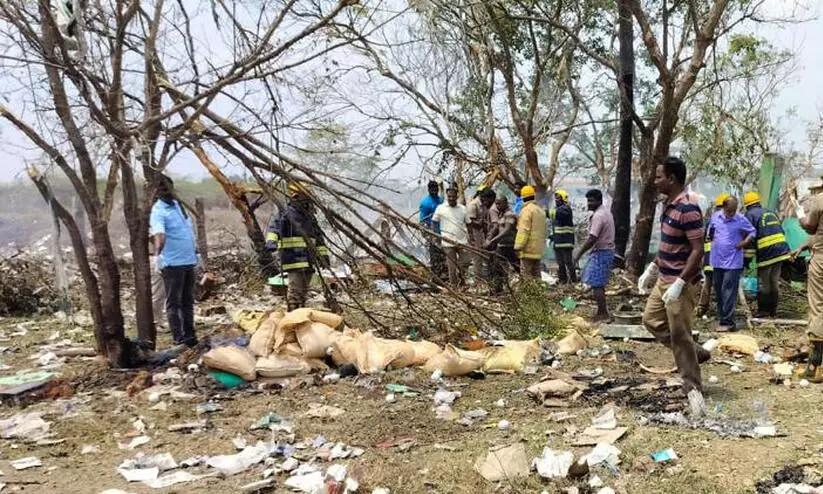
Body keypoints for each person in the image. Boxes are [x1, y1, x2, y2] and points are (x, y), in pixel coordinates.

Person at [637, 157, 711, 403]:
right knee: (651, 320)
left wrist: (681, 282)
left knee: (680, 335)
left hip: (681, 281)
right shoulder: (667, 206)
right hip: (664, 278)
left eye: (659, 176)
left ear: (672, 179)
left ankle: (692, 387)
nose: (655, 180)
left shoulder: (688, 208)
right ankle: (695, 351)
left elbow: (697, 250)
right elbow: (669, 244)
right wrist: (652, 267)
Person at [150, 175, 198, 347]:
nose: (167, 192)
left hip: (188, 260)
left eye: (168, 188)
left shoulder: (178, 206)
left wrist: (196, 252)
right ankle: (179, 338)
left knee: (187, 301)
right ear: (156, 192)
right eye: (162, 189)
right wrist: (157, 255)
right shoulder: (158, 211)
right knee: (174, 303)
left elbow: (188, 231)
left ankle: (190, 336)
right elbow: (159, 234)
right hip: (172, 263)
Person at [265, 182, 330, 311]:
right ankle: (292, 318)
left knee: (303, 292)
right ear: (296, 196)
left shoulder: (309, 216)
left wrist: (324, 255)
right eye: (304, 196)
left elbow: (318, 237)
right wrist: (271, 242)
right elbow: (274, 228)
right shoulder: (286, 213)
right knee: (295, 291)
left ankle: (300, 317)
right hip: (293, 258)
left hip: (308, 260)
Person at [708, 195, 756, 332]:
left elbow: (752, 231)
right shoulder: (715, 217)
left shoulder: (740, 219)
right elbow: (711, 231)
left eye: (733, 210)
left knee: (728, 291)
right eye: (729, 211)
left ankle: (727, 322)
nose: (731, 213)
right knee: (718, 290)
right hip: (717, 259)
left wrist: (744, 242)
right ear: (723, 208)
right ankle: (722, 318)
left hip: (733, 261)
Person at [743, 191, 792, 317]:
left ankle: (763, 311)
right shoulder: (770, 212)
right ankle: (772, 311)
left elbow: (750, 239)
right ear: (758, 202)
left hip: (767, 252)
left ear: (747, 205)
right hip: (781, 250)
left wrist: (746, 261)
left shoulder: (749, 215)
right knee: (774, 281)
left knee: (764, 283)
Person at [573, 189, 615, 321]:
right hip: (605, 251)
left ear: (599, 201)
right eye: (588, 200)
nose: (589, 204)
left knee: (597, 283)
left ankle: (603, 313)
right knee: (596, 282)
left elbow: (592, 238)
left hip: (602, 252)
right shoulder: (605, 213)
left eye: (591, 201)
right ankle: (601, 311)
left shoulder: (599, 216)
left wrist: (578, 254)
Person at [800, 192, 823, 381]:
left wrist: (800, 216)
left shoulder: (820, 199)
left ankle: (815, 367)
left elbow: (810, 227)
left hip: (822, 261)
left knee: (818, 308)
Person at [697, 193, 729, 316]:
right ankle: (722, 312)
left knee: (707, 283)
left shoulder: (711, 220)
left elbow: (704, 238)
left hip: (709, 258)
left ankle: (701, 308)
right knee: (720, 287)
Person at [432, 187, 470, 286]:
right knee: (451, 266)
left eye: (453, 196)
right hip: (447, 241)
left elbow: (468, 223)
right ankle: (454, 288)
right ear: (447, 197)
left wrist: (471, 238)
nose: (451, 198)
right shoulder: (441, 208)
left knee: (466, 261)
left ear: (457, 196)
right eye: (449, 196)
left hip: (462, 241)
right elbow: (434, 221)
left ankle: (461, 281)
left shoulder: (463, 208)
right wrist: (435, 235)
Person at [485, 195, 518, 295]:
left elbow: (507, 230)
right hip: (502, 246)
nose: (497, 206)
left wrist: (493, 240)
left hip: (510, 245)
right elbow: (497, 228)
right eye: (496, 203)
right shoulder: (501, 214)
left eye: (500, 203)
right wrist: (489, 237)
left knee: (517, 266)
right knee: (498, 268)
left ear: (505, 203)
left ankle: (529, 286)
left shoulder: (509, 214)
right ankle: (498, 289)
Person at [514, 185, 547, 279]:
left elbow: (523, 230)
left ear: (523, 197)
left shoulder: (526, 211)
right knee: (536, 273)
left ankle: (528, 292)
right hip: (538, 248)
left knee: (526, 273)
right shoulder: (540, 211)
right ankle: (538, 292)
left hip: (528, 248)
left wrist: (518, 246)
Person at [467, 187, 496, 281]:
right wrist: (479, 223)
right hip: (475, 233)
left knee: (485, 255)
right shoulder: (473, 205)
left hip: (482, 233)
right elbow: (469, 221)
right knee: (477, 256)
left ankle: (486, 277)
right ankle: (478, 279)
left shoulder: (484, 204)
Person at [419, 180, 446, 279]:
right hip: (433, 233)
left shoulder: (440, 200)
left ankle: (444, 275)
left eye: (436, 189)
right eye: (432, 189)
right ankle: (436, 276)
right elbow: (422, 221)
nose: (434, 191)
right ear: (429, 190)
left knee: (443, 255)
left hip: (443, 232)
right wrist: (429, 235)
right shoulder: (426, 203)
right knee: (434, 255)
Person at [552, 189, 577, 284]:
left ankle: (573, 281)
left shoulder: (565, 209)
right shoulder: (557, 209)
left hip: (566, 241)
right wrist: (551, 237)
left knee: (568, 262)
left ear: (563, 199)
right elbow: (556, 225)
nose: (556, 200)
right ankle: (563, 281)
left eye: (558, 198)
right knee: (560, 263)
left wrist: (543, 211)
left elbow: (556, 214)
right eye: (555, 198)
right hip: (558, 242)